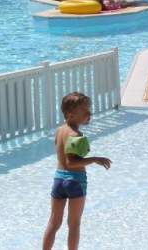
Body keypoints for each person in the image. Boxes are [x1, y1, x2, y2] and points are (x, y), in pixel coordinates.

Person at [43, 92, 112, 250]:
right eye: (84, 110)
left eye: (89, 109)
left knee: (53, 222)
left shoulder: (60, 131)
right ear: (70, 114)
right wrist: (94, 159)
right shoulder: (76, 135)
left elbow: (63, 159)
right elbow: (71, 162)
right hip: (75, 182)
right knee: (74, 224)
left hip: (59, 180)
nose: (89, 113)